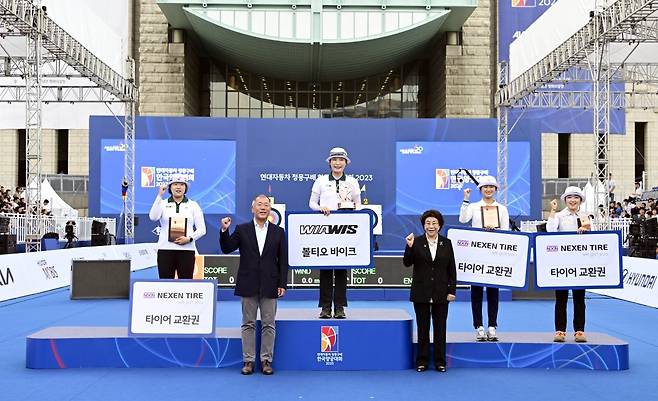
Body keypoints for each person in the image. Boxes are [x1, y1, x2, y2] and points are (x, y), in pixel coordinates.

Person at [220, 194, 288, 375]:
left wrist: (282, 283)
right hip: (248, 282)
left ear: (270, 209)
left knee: (268, 324)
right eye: (260, 205)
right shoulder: (242, 229)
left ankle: (266, 361)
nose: (263, 207)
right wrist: (224, 230)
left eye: (266, 205)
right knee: (248, 324)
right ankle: (248, 361)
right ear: (253, 208)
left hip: (270, 283)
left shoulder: (278, 231)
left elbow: (283, 260)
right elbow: (227, 248)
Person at [309, 147, 361, 319]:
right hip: (325, 231)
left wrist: (351, 211)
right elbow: (311, 203)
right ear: (329, 162)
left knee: (341, 270)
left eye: (341, 160)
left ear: (346, 163)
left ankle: (340, 307)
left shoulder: (353, 182)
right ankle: (325, 307)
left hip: (345, 231)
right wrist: (320, 208)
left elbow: (358, 206)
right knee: (325, 270)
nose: (338, 163)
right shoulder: (321, 181)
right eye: (334, 159)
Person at [403, 209, 456, 373]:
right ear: (423, 225)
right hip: (421, 292)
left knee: (440, 329)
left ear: (439, 225)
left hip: (441, 292)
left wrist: (451, 290)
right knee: (423, 328)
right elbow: (407, 263)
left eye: (434, 223)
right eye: (428, 223)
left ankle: (440, 362)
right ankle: (422, 361)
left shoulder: (446, 243)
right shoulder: (416, 242)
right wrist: (409, 247)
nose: (431, 226)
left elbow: (451, 269)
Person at [459, 175, 510, 341]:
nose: (488, 190)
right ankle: (479, 326)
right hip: (476, 255)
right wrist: (465, 200)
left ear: (496, 189)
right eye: (485, 187)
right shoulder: (473, 206)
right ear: (480, 190)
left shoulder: (502, 209)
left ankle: (492, 326)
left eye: (491, 187)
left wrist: (494, 232)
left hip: (494, 255)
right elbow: (463, 219)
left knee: (494, 292)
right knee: (476, 292)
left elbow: (506, 232)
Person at [546, 186, 591, 343]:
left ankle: (579, 331)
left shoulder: (586, 217)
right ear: (565, 200)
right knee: (561, 298)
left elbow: (596, 238)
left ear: (580, 200)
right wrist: (552, 211)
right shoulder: (558, 215)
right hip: (562, 263)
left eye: (576, 197)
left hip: (581, 263)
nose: (573, 200)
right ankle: (560, 331)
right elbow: (550, 231)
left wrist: (587, 230)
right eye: (570, 197)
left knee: (580, 298)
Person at [148, 174, 206, 279]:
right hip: (165, 249)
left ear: (186, 188)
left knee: (186, 284)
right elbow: (153, 217)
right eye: (175, 184)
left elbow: (202, 229)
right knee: (165, 284)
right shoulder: (162, 203)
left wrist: (189, 239)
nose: (178, 187)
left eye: (182, 184)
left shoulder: (193, 205)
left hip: (187, 250)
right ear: (170, 187)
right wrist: (159, 196)